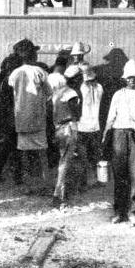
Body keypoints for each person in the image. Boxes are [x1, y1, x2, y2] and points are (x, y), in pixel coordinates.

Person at [103, 60, 135, 226]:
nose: (132, 80)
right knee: (120, 173)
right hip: (119, 135)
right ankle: (119, 211)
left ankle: (132, 211)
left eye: (134, 77)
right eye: (129, 77)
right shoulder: (118, 94)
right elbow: (110, 117)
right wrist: (106, 136)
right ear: (125, 78)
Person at [8, 39, 52, 193]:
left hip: (21, 119)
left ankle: (27, 187)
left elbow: (12, 91)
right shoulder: (40, 72)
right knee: (42, 154)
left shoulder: (14, 73)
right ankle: (46, 184)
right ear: (33, 55)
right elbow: (49, 93)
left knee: (25, 154)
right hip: (38, 118)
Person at [52, 65, 83, 208]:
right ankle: (59, 195)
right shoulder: (72, 94)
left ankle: (61, 192)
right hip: (68, 128)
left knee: (62, 160)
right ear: (76, 79)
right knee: (65, 162)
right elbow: (76, 114)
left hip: (58, 128)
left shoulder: (58, 92)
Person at [0, 53, 24, 184]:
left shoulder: (3, 79)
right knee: (14, 147)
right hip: (12, 114)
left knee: (8, 147)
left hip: (6, 115)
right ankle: (16, 176)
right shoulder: (11, 80)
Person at [77, 66, 103, 187]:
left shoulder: (82, 88)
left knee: (85, 155)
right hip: (92, 126)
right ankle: (92, 178)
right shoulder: (99, 88)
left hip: (85, 126)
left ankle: (87, 179)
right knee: (91, 154)